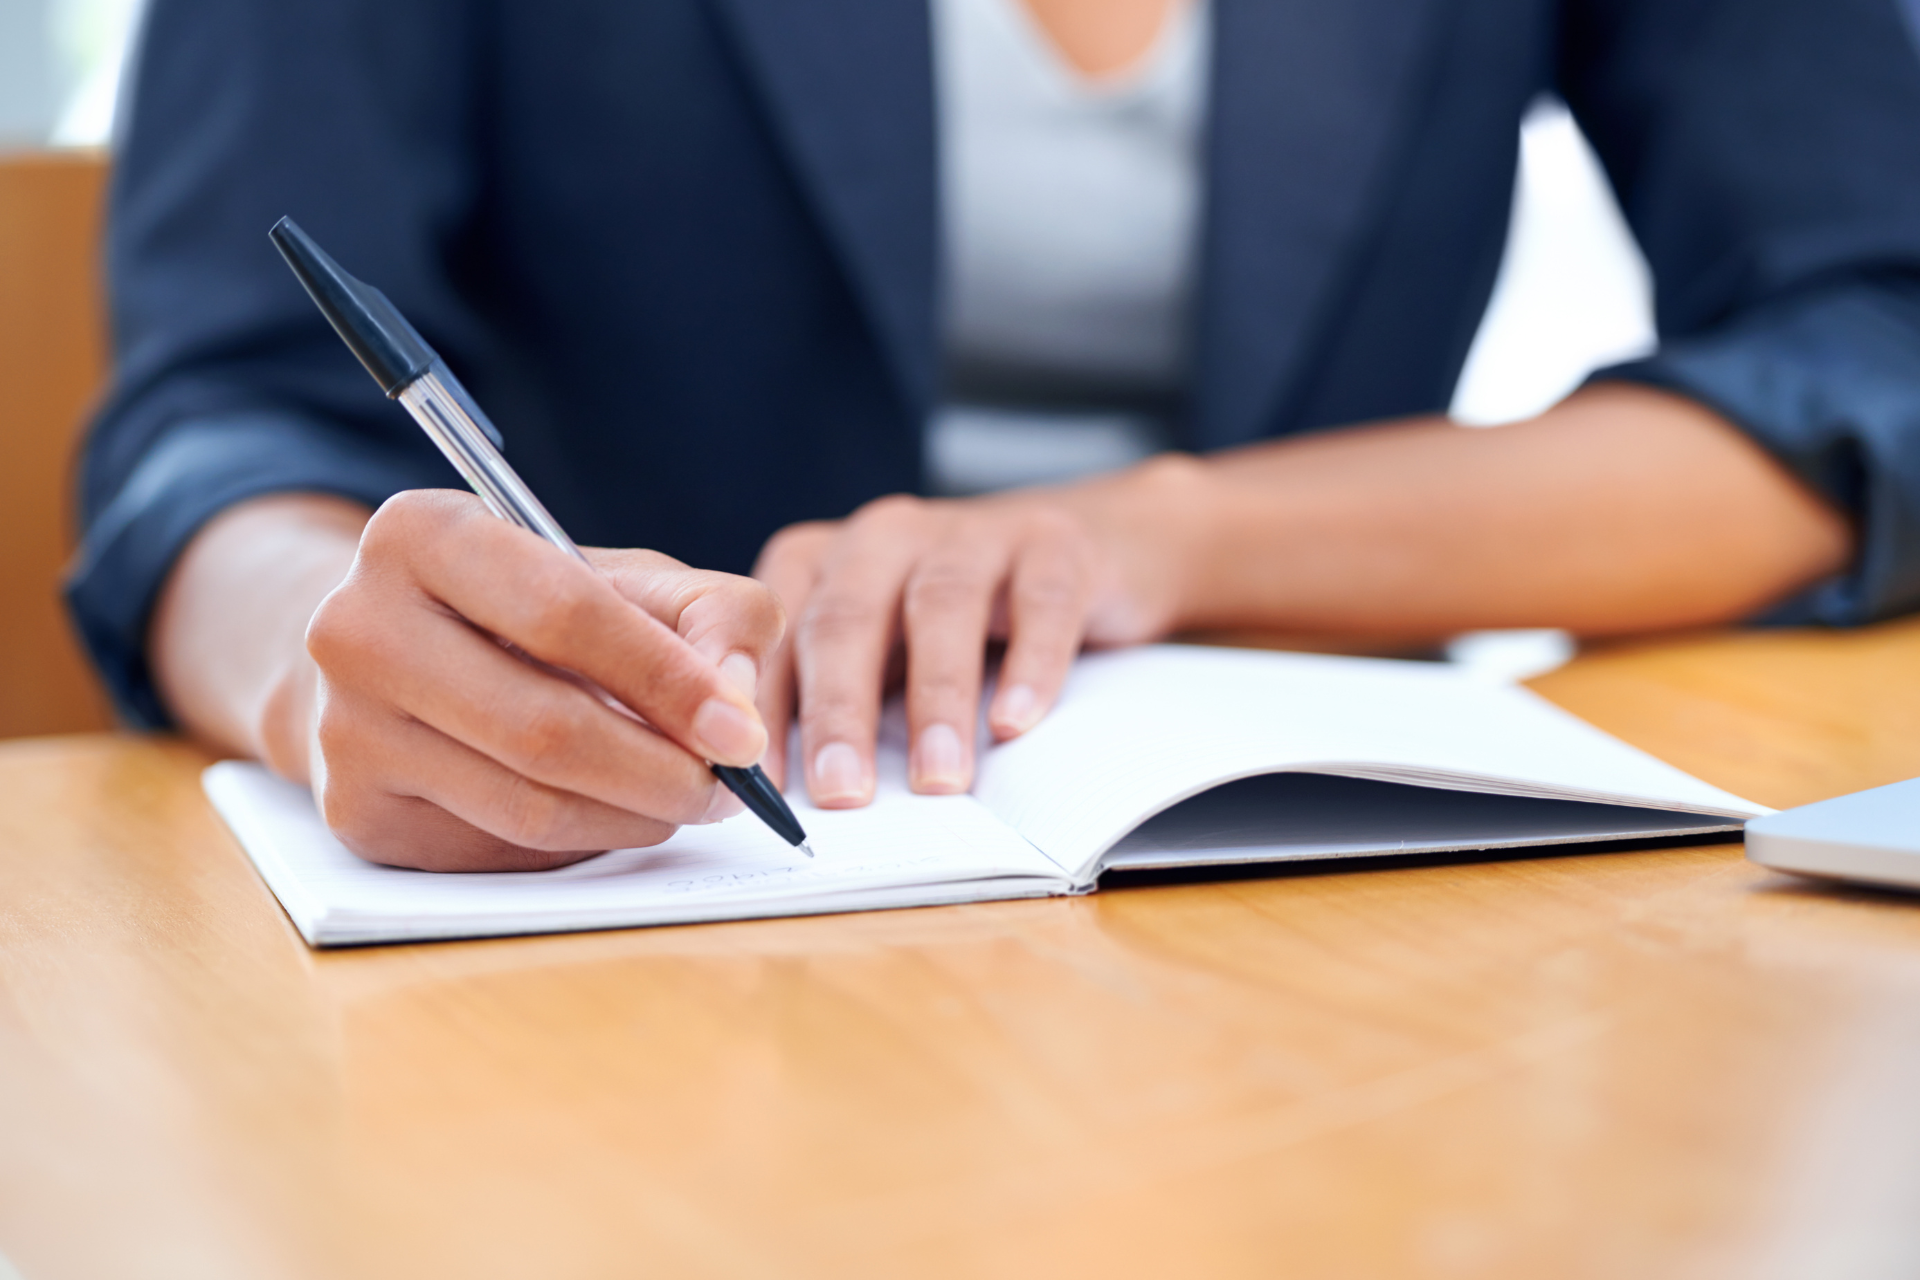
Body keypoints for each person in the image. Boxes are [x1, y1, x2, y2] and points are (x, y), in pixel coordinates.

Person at [70, 0, 1920, 871]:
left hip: (1320, 882)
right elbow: (208, 420)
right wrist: (341, 684)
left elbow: (1876, 347)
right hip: (647, 906)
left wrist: (1161, 536)